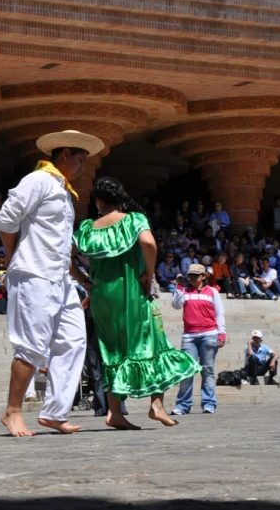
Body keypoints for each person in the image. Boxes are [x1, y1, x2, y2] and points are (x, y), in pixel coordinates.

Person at [0, 130, 102, 437]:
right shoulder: (39, 180)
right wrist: (12, 253)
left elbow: (59, 243)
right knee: (31, 345)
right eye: (80, 159)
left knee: (74, 340)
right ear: (65, 154)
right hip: (33, 274)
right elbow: (6, 219)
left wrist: (79, 277)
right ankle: (12, 411)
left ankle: (55, 412)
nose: (83, 166)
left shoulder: (65, 191)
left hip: (60, 277)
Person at [73, 176, 200, 429]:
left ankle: (115, 412)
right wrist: (149, 274)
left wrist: (86, 283)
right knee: (153, 342)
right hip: (131, 293)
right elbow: (149, 243)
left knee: (112, 352)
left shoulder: (88, 227)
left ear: (98, 201)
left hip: (102, 299)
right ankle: (156, 406)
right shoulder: (133, 220)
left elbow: (67, 258)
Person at [170, 264, 225, 415]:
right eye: (190, 275)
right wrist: (180, 285)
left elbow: (219, 314)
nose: (193, 278)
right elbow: (175, 305)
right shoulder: (185, 291)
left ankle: (209, 403)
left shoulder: (212, 292)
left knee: (208, 370)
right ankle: (182, 405)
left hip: (209, 334)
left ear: (203, 276)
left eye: (196, 275)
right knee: (187, 371)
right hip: (189, 335)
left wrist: (222, 334)